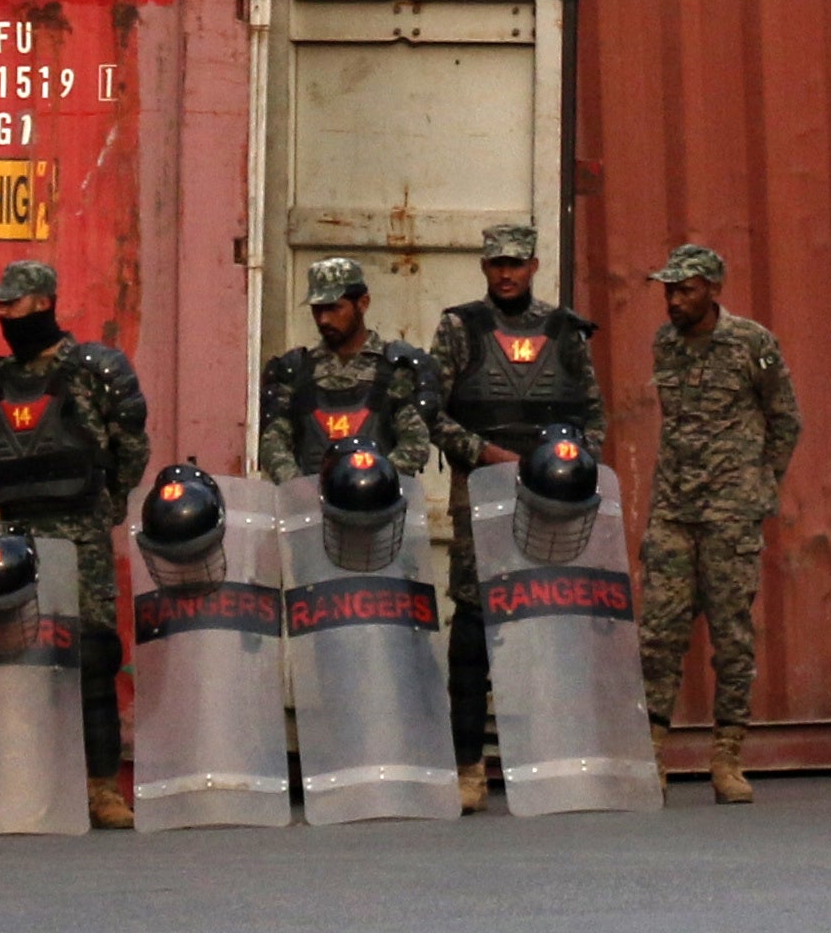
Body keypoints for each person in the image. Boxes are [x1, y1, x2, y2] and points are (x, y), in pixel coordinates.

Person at [0, 259, 151, 828]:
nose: (2, 313)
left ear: (44, 301)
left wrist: (104, 508)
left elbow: (132, 448)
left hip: (80, 535)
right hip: (16, 538)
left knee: (93, 656)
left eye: (12, 303)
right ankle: (30, 785)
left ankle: (101, 789)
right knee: (21, 659)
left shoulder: (96, 368)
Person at [429, 221, 602, 805]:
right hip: (481, 495)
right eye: (496, 263)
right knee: (475, 626)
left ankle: (550, 758)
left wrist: (571, 465)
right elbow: (433, 414)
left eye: (516, 263)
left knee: (549, 623)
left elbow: (594, 417)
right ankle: (469, 767)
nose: (506, 273)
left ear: (533, 266)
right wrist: (490, 456)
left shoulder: (565, 331)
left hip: (553, 502)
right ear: (484, 267)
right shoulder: (459, 328)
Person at [641, 240, 803, 800]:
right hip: (673, 510)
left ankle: (727, 760)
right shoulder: (665, 344)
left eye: (685, 290)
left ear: (712, 289)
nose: (674, 301)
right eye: (669, 291)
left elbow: (786, 419)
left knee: (732, 638)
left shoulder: (750, 343)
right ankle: (652, 758)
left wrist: (758, 488)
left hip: (730, 516)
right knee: (658, 635)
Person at [256, 254, 450, 492]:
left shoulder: (395, 368)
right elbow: (273, 441)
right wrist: (297, 486)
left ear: (363, 303)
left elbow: (416, 441)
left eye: (334, 308)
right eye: (317, 310)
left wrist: (375, 480)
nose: (324, 319)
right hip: (311, 511)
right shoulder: (297, 370)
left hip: (380, 509)